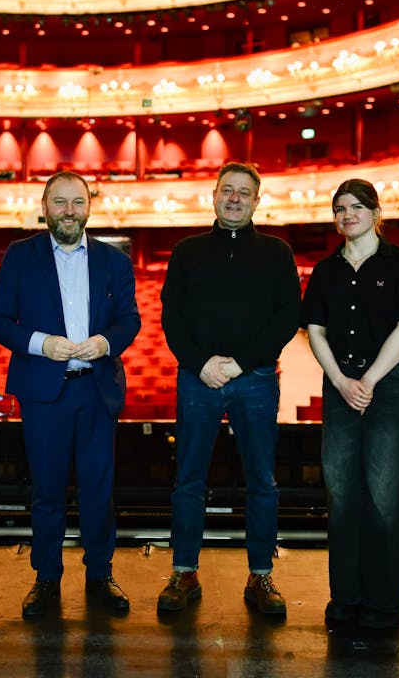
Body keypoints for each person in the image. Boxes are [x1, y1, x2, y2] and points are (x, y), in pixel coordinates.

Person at [0, 171, 141, 618]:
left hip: (96, 390)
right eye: (60, 202)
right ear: (45, 204)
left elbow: (130, 320)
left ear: (89, 206)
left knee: (99, 489)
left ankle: (100, 574)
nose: (69, 211)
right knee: (47, 490)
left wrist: (106, 343)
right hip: (44, 393)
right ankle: (46, 577)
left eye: (77, 202)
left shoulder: (114, 261)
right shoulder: (20, 257)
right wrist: (42, 343)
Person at [158, 162, 302, 616]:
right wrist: (201, 364)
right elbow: (171, 315)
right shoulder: (187, 251)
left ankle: (261, 574)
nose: (235, 199)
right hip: (199, 379)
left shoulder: (277, 252)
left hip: (255, 378)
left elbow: (287, 316)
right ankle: (184, 571)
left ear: (257, 202)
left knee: (262, 481)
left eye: (245, 193)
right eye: (228, 191)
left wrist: (241, 362)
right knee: (188, 481)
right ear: (214, 196)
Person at [300, 178, 399, 630]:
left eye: (356, 206)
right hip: (341, 386)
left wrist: (369, 379)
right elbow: (314, 330)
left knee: (388, 497)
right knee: (342, 495)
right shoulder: (325, 271)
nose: (347, 214)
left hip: (389, 385)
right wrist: (340, 380)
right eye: (339, 208)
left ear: (376, 212)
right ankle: (347, 597)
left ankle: (385, 602)